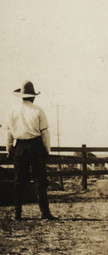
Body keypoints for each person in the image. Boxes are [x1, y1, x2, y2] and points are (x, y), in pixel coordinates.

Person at [6, 80, 57, 220]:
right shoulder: (38, 110)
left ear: (22, 96)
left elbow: (9, 133)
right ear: (33, 96)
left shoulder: (12, 111)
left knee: (19, 181)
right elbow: (45, 133)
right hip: (35, 148)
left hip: (20, 148)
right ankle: (44, 212)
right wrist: (47, 150)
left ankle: (17, 213)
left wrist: (9, 149)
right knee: (40, 180)